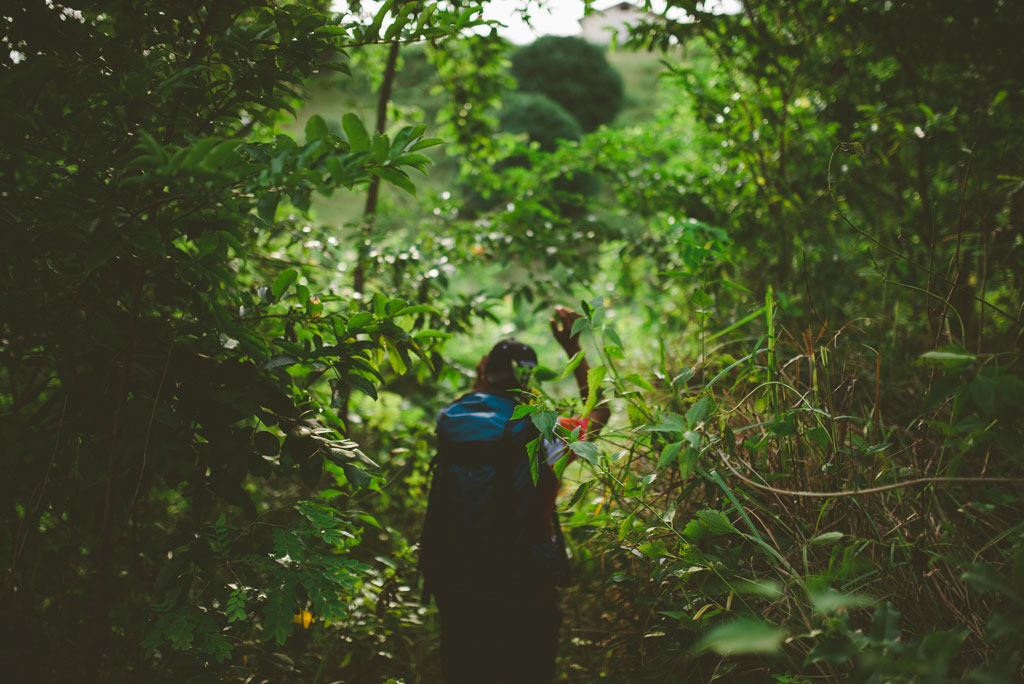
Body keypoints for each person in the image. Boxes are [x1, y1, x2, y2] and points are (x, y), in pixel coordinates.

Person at [419, 306, 610, 684]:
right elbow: (600, 412)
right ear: (529, 383)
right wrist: (576, 350)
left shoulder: (451, 420)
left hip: (457, 584)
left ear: (484, 372)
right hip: (524, 587)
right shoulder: (542, 430)